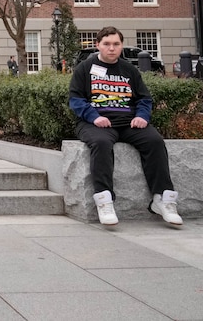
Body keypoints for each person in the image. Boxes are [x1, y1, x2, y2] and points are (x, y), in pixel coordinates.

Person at [69, 26, 182, 227]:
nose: (111, 48)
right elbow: (76, 100)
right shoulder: (85, 69)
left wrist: (142, 116)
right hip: (94, 123)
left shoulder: (129, 70)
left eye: (116, 44)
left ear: (121, 46)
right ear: (98, 45)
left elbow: (144, 99)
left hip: (128, 122)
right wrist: (94, 117)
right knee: (101, 144)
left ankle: (162, 198)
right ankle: (105, 201)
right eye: (106, 44)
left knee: (154, 141)